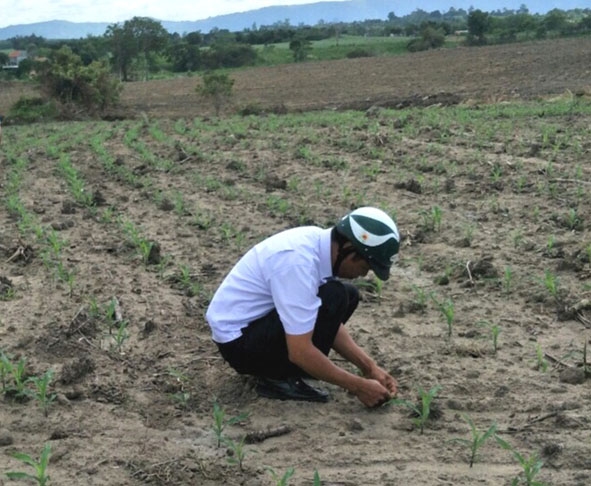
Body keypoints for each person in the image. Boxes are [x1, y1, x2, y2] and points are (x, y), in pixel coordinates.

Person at [205, 206, 400, 407]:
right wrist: (358, 386)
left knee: (345, 295)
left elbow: (319, 319)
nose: (364, 275)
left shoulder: (319, 246)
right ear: (350, 251)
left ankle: (297, 369)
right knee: (335, 295)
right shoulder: (298, 263)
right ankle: (276, 378)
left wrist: (368, 367)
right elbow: (300, 351)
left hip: (256, 326)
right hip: (240, 345)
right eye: (365, 267)